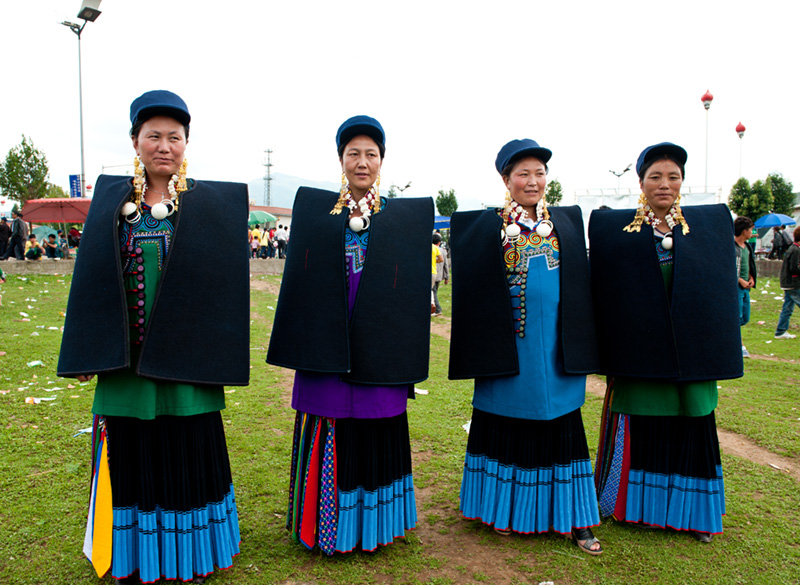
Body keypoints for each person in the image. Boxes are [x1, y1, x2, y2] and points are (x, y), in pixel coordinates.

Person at [58, 90, 249, 584]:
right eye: (154, 136)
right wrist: (85, 351)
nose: (164, 146)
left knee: (188, 450)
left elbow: (223, 290)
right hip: (127, 363)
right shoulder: (111, 205)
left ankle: (193, 556)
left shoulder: (207, 209)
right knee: (134, 454)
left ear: (186, 143)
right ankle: (136, 557)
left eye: (174, 137)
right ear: (135, 141)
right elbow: (91, 281)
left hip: (189, 363)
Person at [267, 115, 433, 555]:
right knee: (331, 422)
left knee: (378, 426)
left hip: (382, 343)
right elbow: (300, 281)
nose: (362, 162)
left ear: (382, 161)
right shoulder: (317, 217)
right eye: (353, 153)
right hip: (326, 343)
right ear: (341, 159)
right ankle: (326, 528)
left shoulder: (401, 221)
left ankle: (374, 529)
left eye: (370, 154)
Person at [449, 139, 603, 555]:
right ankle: (504, 511)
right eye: (523, 174)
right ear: (506, 180)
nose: (533, 181)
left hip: (558, 349)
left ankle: (576, 518)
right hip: (509, 350)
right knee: (507, 423)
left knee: (563, 426)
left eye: (539, 173)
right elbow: (473, 295)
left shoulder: (566, 223)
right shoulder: (489, 229)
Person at [591, 142, 742, 544]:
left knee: (693, 426)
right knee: (643, 424)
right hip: (639, 356)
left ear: (682, 182)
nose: (664, 184)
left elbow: (718, 295)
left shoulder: (706, 231)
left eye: (673, 177)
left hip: (693, 355)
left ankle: (694, 515)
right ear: (641, 182)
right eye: (655, 176)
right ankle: (632, 509)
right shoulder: (618, 235)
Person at [734, 217, 757, 357]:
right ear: (744, 231)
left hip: (746, 288)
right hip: (735, 287)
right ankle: (740, 346)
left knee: (744, 318)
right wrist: (739, 280)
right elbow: (727, 269)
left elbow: (748, 264)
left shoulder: (747, 247)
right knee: (736, 317)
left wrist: (751, 278)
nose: (752, 232)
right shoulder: (731, 247)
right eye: (751, 230)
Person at [774, 225, 800, 339]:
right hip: (793, 283)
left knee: (787, 308)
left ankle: (780, 331)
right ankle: (780, 331)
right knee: (788, 308)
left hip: (789, 283)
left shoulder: (793, 248)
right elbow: (794, 268)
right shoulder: (796, 250)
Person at [432, 233, 448, 315]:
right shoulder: (443, 251)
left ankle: (437, 309)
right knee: (434, 292)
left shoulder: (430, 248)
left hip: (432, 273)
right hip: (439, 275)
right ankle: (434, 308)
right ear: (439, 242)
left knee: (433, 292)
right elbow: (446, 265)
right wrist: (446, 277)